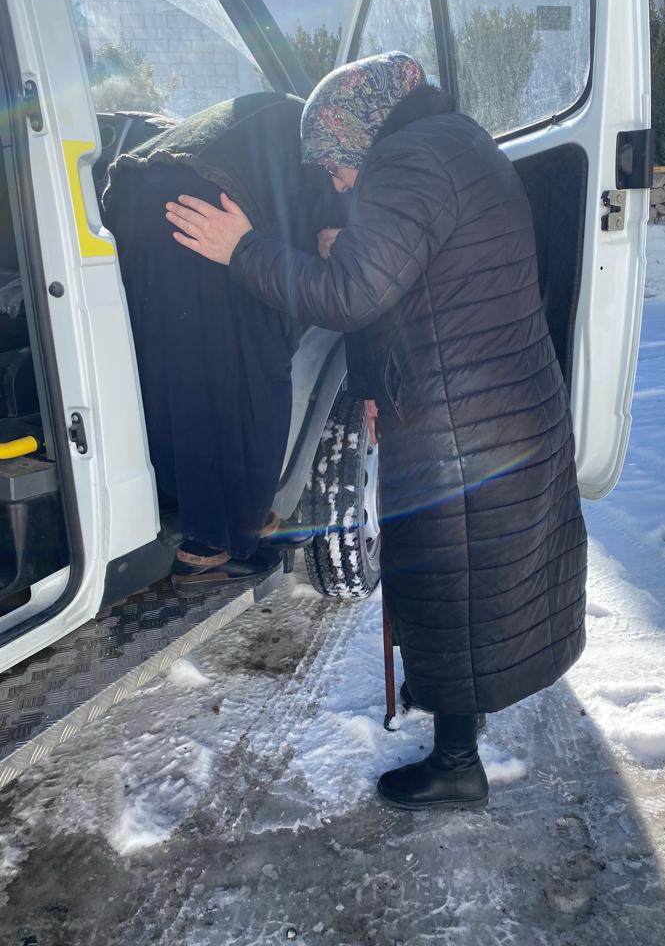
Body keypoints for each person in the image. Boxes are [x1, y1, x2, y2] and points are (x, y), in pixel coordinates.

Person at [165, 52, 588, 810]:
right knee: (480, 584)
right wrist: (370, 380)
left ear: (362, 135)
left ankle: (456, 765)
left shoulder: (407, 164)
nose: (335, 183)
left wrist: (243, 249)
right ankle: (463, 717)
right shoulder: (456, 140)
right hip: (501, 402)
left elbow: (351, 295)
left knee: (451, 584)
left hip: (460, 423)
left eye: (335, 163)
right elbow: (419, 281)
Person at [105, 93, 342, 596]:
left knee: (167, 360)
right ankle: (214, 543)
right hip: (217, 207)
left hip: (135, 192)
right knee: (252, 374)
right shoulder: (346, 158)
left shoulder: (301, 117)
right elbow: (337, 264)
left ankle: (191, 505)